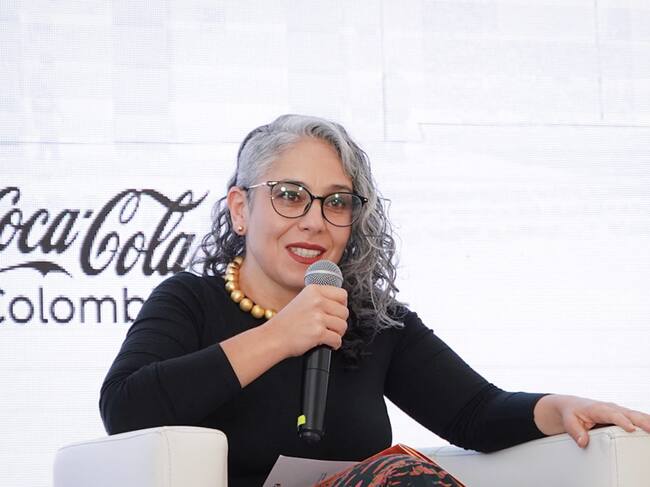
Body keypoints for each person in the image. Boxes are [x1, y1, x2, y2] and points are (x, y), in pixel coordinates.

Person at [100, 114, 650, 487]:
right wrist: (280, 336)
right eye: (290, 196)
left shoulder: (373, 321)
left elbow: (476, 413)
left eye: (337, 202)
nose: (314, 221)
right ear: (241, 209)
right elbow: (126, 410)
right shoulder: (189, 301)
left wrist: (559, 408)